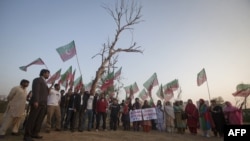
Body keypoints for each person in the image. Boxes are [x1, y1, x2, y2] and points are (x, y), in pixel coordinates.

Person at [23, 69, 50, 141]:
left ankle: (35, 133)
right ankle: (27, 135)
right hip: (38, 103)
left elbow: (45, 93)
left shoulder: (45, 82)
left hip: (43, 104)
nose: (48, 75)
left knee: (39, 120)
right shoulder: (37, 80)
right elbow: (36, 91)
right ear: (43, 73)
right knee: (32, 119)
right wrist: (36, 101)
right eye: (48, 73)